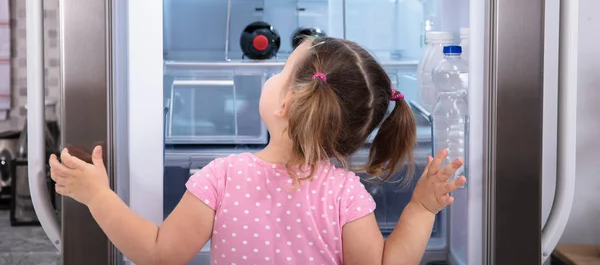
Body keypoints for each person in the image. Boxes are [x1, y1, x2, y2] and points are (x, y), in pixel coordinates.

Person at [49, 37, 466, 265]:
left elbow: (159, 255)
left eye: (282, 70)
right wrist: (422, 209)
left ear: (286, 104)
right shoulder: (344, 194)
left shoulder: (222, 177)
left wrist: (97, 196)